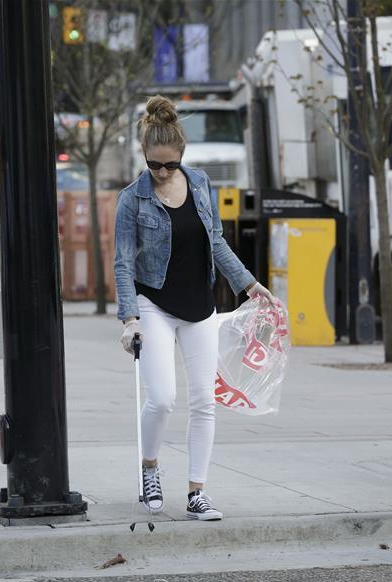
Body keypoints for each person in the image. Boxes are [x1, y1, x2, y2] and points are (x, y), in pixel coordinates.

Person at [114, 96, 277, 521]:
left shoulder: (201, 183)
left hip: (199, 306)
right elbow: (122, 261)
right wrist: (129, 318)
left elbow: (217, 243)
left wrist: (251, 285)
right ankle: (149, 469)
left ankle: (197, 491)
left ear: (182, 156)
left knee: (204, 400)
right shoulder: (132, 199)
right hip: (154, 303)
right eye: (154, 165)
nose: (162, 173)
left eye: (169, 165)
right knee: (163, 399)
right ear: (144, 155)